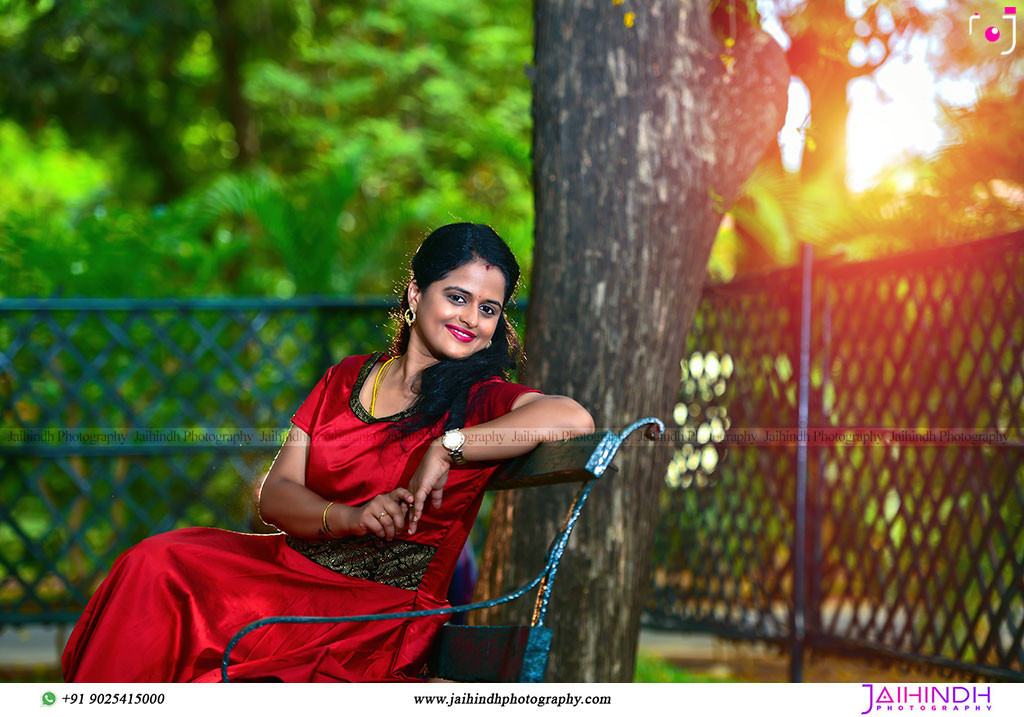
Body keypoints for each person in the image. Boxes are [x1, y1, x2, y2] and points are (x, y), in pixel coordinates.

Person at [60, 222, 595, 682]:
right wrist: (349, 516)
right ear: (415, 295)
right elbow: (277, 493)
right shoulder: (346, 377)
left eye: (489, 309)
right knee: (154, 565)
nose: (471, 319)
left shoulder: (482, 397)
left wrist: (450, 445)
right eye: (457, 297)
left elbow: (574, 418)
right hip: (289, 573)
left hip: (372, 614)